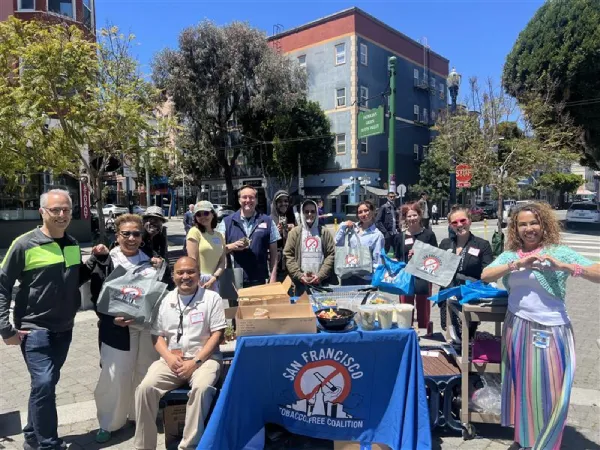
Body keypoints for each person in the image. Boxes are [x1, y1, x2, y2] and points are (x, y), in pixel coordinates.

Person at [481, 202, 600, 450]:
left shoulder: (559, 252)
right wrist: (518, 265)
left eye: (533, 222)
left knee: (552, 391)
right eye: (522, 224)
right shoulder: (511, 255)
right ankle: (524, 439)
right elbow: (486, 275)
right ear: (515, 229)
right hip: (518, 327)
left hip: (552, 329)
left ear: (544, 224)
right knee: (522, 388)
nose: (529, 229)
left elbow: (597, 271)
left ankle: (547, 443)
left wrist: (566, 267)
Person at [0, 189, 94, 450]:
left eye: (66, 210)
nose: (62, 215)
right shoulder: (24, 244)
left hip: (64, 327)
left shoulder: (72, 243)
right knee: (43, 383)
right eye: (55, 210)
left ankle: (32, 435)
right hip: (33, 328)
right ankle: (48, 445)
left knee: (45, 384)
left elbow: (74, 279)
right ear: (42, 211)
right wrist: (4, 327)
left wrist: (95, 260)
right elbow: (2, 285)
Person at [87, 214, 167, 444]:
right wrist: (111, 319)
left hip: (146, 327)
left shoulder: (152, 258)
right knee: (115, 375)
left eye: (136, 234)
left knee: (144, 372)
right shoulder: (106, 259)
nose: (131, 238)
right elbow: (95, 295)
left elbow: (164, 289)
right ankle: (108, 422)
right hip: (116, 329)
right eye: (126, 234)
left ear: (142, 237)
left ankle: (137, 415)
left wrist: (163, 269)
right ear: (117, 236)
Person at [134, 257, 227, 450]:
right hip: (172, 361)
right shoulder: (165, 300)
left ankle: (189, 445)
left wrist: (195, 361)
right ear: (173, 276)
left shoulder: (212, 298)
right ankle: (144, 446)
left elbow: (218, 334)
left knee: (202, 389)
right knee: (145, 389)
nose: (186, 276)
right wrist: (168, 357)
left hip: (204, 360)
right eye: (180, 272)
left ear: (199, 274)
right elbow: (156, 336)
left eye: (191, 272)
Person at [438, 206, 494, 342]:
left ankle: (467, 357)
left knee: (467, 334)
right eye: (454, 223)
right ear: (450, 226)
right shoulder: (445, 244)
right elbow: (436, 267)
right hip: (448, 295)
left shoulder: (482, 245)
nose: (459, 225)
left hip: (470, 296)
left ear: (470, 221)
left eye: (463, 220)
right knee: (449, 331)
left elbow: (488, 271)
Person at [217, 185, 280, 288]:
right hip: (234, 279)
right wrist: (232, 246)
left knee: (258, 304)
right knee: (236, 305)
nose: (248, 200)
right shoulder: (227, 222)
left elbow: (274, 253)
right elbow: (218, 250)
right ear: (239, 200)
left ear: (256, 200)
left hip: (259, 279)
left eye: (251, 197)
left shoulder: (267, 221)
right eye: (244, 197)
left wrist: (273, 278)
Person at [393, 202, 437, 335]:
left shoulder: (428, 235)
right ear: (405, 218)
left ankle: (425, 334)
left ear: (420, 216)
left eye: (414, 215)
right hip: (406, 276)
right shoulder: (400, 236)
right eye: (409, 216)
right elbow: (397, 256)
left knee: (423, 306)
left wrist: (421, 254)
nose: (412, 218)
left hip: (423, 275)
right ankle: (406, 331)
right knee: (406, 306)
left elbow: (435, 255)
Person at [284, 200, 336, 295]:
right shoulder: (295, 233)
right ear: (302, 213)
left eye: (312, 211)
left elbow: (331, 254)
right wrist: (299, 275)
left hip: (319, 282)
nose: (309, 214)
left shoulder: (324, 232)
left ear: (316, 213)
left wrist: (320, 275)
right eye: (306, 211)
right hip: (300, 283)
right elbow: (288, 255)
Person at [335, 200, 384, 286]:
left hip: (365, 277)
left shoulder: (377, 235)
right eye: (360, 212)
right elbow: (338, 243)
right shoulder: (351, 228)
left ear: (373, 212)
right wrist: (343, 226)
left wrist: (375, 279)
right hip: (348, 273)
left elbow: (377, 259)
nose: (363, 214)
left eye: (366, 210)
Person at [185, 201, 226, 292]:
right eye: (199, 214)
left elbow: (222, 262)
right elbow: (192, 260)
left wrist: (214, 278)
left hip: (213, 280)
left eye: (206, 213)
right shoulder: (194, 232)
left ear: (213, 214)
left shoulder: (219, 236)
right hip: (198, 279)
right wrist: (197, 279)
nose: (203, 217)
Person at [270, 191, 297, 281]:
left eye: (286, 201)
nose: (283, 204)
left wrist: (294, 231)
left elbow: (300, 240)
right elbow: (264, 243)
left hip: (293, 263)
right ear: (275, 203)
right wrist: (275, 233)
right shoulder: (269, 220)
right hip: (277, 265)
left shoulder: (292, 217)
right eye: (280, 201)